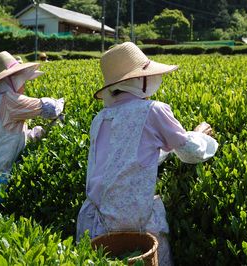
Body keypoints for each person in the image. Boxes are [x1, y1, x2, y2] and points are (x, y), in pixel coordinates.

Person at [76, 42, 218, 266]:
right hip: (136, 222)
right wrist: (200, 135)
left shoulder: (101, 118)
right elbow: (190, 152)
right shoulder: (153, 110)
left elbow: (129, 159)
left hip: (94, 221)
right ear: (138, 80)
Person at [0, 51, 64, 173]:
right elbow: (51, 109)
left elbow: (6, 136)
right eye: (22, 81)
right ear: (12, 81)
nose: (24, 87)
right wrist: (62, 102)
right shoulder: (9, 100)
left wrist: (36, 134)